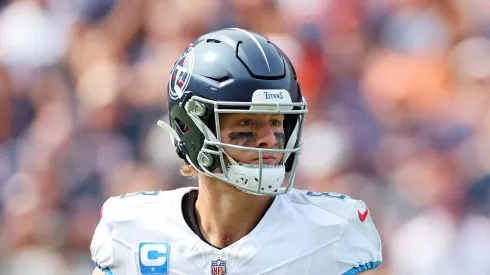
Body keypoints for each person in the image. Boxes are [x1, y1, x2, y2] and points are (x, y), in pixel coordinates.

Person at [90, 28, 382, 275]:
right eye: (247, 123)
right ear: (191, 129)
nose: (269, 139)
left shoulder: (334, 233)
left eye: (277, 121)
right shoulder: (131, 231)